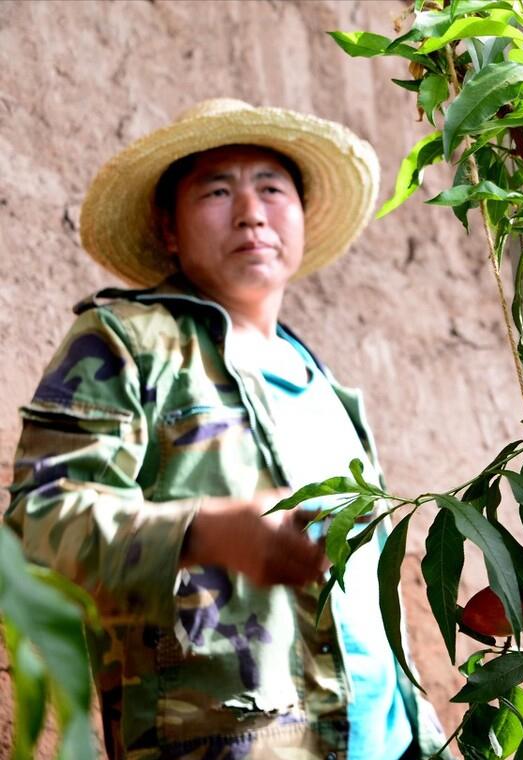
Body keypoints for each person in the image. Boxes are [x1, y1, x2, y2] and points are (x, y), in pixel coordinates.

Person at [5, 99, 446, 759]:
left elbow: (365, 599)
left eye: (272, 188)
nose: (250, 212)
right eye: (217, 191)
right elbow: (36, 527)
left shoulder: (324, 387)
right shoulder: (126, 343)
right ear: (169, 227)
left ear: (299, 213)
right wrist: (208, 532)